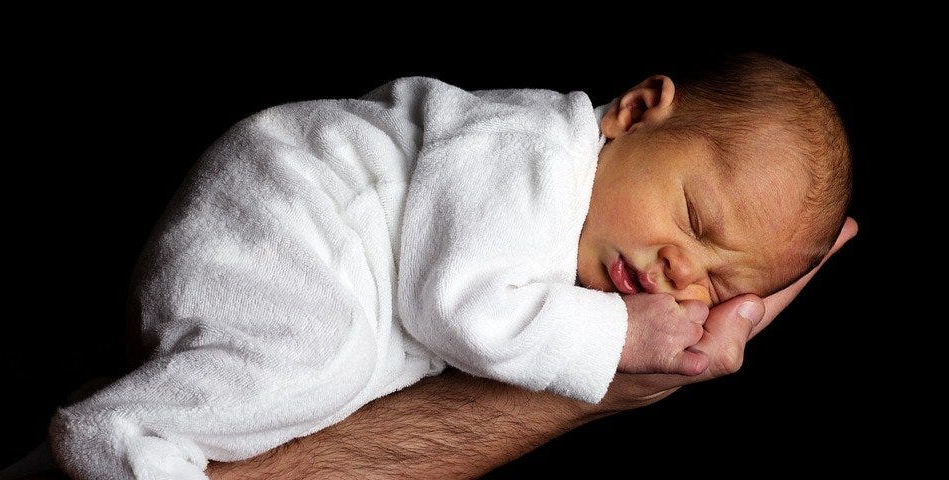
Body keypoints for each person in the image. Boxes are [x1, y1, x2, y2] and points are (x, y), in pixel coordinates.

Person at [44, 53, 851, 479]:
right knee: (312, 364)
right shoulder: (531, 153)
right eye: (694, 219)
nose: (683, 273)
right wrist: (618, 338)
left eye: (720, 284)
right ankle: (121, 433)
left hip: (314, 253)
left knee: (293, 399)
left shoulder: (573, 207)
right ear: (636, 113)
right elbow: (460, 305)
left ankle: (145, 409)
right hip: (289, 219)